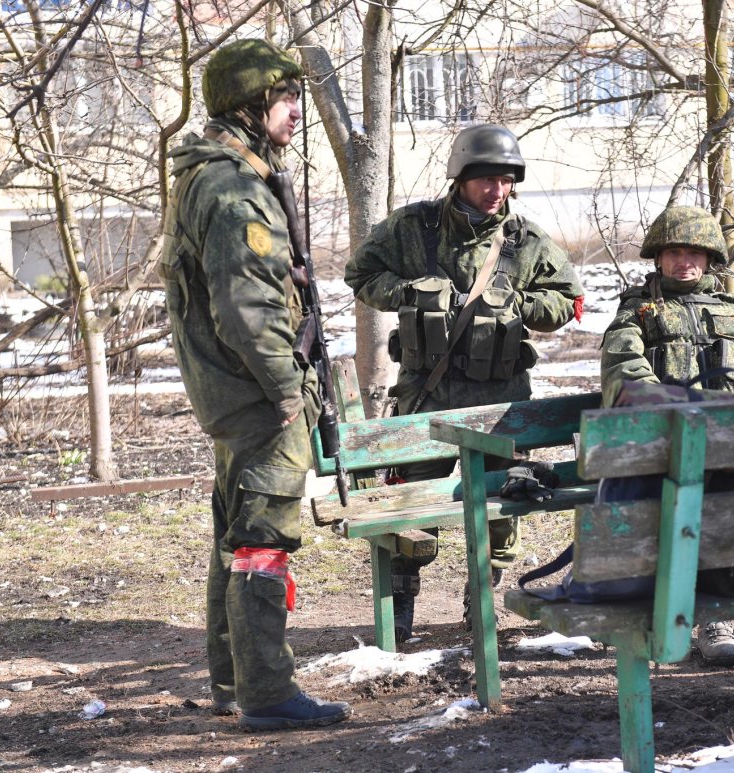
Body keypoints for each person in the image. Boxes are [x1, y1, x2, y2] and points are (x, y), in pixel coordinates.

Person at [157, 38, 351, 730]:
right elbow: (248, 308)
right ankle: (267, 690)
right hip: (256, 399)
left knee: (238, 538)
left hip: (234, 397)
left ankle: (233, 679)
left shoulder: (220, 174)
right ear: (249, 105)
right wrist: (286, 389)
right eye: (285, 99)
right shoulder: (236, 187)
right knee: (263, 539)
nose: (297, 112)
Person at [345, 124, 585, 643]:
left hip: (501, 401)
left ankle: (483, 601)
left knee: (500, 512)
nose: (495, 190)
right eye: (484, 180)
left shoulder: (525, 240)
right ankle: (401, 601)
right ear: (460, 178)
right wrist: (409, 292)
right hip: (426, 398)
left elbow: (568, 299)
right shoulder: (413, 227)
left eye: (504, 180)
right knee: (411, 505)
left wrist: (519, 305)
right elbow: (360, 275)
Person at [598, 205, 734, 667]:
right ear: (658, 257)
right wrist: (672, 411)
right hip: (664, 445)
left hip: (733, 444)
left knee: (732, 510)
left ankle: (713, 617)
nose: (684, 261)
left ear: (711, 259)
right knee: (675, 513)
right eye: (674, 251)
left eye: (694, 252)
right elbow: (625, 370)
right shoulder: (637, 313)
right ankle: (664, 615)